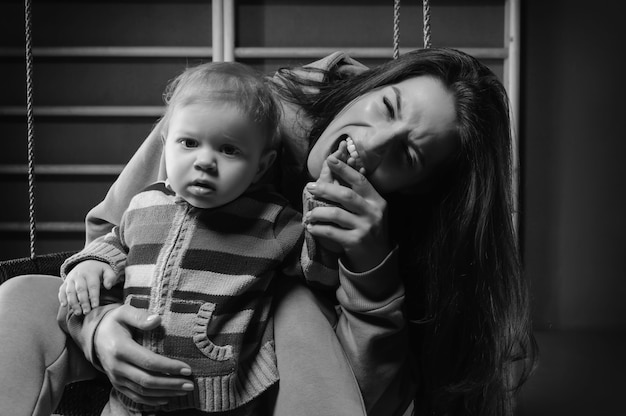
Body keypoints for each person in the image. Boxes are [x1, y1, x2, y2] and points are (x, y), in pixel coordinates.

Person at [0, 48, 536, 416]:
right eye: (387, 107)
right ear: (372, 85)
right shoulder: (235, 115)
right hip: (147, 316)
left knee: (296, 304)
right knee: (22, 296)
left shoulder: (400, 239)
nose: (372, 144)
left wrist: (369, 265)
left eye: (407, 154)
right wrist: (98, 330)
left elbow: (364, 396)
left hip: (257, 373)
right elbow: (117, 229)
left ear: (417, 189)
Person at [56, 60, 337, 415]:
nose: (205, 161)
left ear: (261, 167)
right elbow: (116, 243)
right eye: (189, 143)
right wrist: (90, 263)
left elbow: (320, 272)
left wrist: (321, 214)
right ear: (166, 143)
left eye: (229, 150)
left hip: (225, 396)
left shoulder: (272, 220)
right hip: (129, 395)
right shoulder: (144, 204)